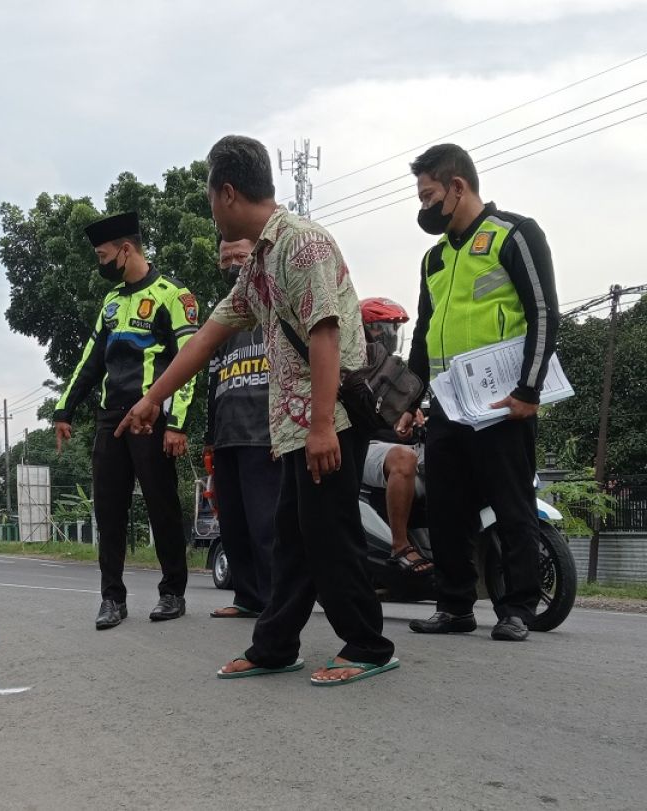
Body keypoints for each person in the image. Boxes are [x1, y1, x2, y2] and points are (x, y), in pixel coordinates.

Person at [118, 135, 397, 685]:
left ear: (226, 193)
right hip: (299, 425)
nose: (211, 211)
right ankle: (274, 646)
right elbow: (205, 339)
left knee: (327, 535)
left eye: (207, 198)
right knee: (292, 538)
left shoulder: (302, 245)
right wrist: (152, 399)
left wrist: (320, 427)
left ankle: (368, 644)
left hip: (330, 420)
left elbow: (324, 332)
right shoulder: (259, 265)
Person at [401, 144, 559, 642]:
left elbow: (543, 313)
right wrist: (409, 401)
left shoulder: (513, 234)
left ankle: (517, 608)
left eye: (428, 196)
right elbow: (425, 334)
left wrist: (528, 392)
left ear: (458, 187)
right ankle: (455, 607)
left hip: (502, 405)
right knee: (448, 510)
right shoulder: (434, 259)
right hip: (449, 406)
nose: (424, 207)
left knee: (512, 507)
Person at [53, 211, 200, 629]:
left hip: (151, 419)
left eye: (103, 255)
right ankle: (111, 598)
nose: (100, 263)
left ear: (126, 249)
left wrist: (178, 424)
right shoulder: (112, 302)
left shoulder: (174, 296)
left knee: (162, 507)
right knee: (109, 510)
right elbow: (90, 359)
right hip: (109, 420)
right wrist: (64, 409)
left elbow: (189, 361)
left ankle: (173, 592)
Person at [205, 237, 279, 619]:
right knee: (233, 525)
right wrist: (208, 440)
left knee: (266, 524)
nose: (233, 264)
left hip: (265, 433)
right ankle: (247, 597)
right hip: (227, 436)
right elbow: (212, 380)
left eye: (240, 255)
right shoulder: (222, 315)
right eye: (226, 259)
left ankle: (273, 602)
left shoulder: (275, 303)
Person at [358, 297, 432, 576]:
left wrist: (417, 415)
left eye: (393, 329)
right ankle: (400, 546)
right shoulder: (355, 365)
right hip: (365, 445)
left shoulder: (400, 371)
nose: (389, 335)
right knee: (404, 459)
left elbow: (415, 405)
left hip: (404, 445)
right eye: (382, 328)